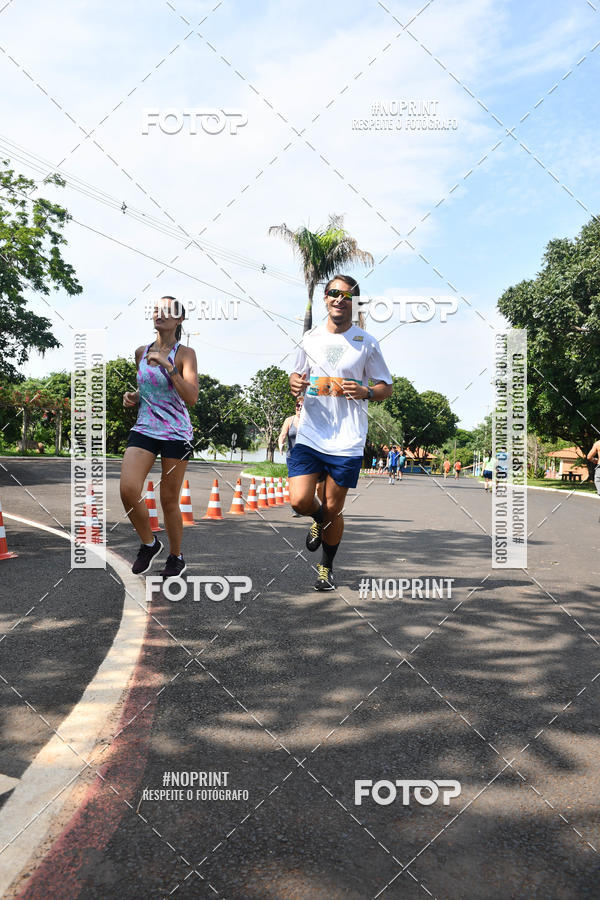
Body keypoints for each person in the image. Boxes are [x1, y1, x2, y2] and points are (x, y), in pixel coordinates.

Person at [288, 274, 393, 590]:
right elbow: (296, 374)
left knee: (334, 508)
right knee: (299, 500)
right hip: (310, 432)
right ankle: (319, 521)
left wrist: (366, 392)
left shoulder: (367, 342)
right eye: (333, 293)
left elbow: (386, 387)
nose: (338, 299)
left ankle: (326, 567)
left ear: (354, 302)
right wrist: (294, 382)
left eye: (346, 295)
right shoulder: (310, 338)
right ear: (325, 299)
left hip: (347, 439)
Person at [120, 296, 199, 577]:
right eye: (156, 309)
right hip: (145, 428)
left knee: (168, 500)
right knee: (128, 489)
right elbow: (149, 391)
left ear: (179, 320)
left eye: (167, 311)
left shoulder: (185, 354)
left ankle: (176, 557)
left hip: (176, 433)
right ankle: (149, 543)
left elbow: (190, 397)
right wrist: (134, 396)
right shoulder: (141, 352)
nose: (159, 314)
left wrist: (169, 367)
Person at [279, 396, 305, 516]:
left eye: (302, 406)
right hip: (292, 457)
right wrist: (281, 444)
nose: (299, 408)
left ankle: (306, 505)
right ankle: (295, 508)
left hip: (307, 457)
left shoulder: (309, 421)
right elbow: (283, 434)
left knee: (305, 484)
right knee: (294, 482)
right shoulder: (289, 420)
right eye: (297, 405)